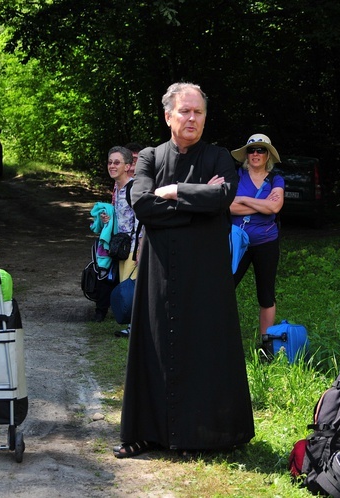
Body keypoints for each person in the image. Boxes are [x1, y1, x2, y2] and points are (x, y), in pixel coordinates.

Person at [113, 82, 254, 458]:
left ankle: (204, 435)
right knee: (154, 346)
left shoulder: (219, 155)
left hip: (206, 273)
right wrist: (197, 199)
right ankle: (147, 433)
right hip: (159, 272)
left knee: (203, 347)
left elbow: (223, 197)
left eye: (199, 112)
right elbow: (142, 203)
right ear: (168, 116)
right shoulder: (149, 158)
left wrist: (173, 191)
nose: (192, 118)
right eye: (185, 111)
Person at [229, 133, 285, 355]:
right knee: (224, 287)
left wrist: (242, 199)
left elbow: (275, 207)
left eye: (260, 150)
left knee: (266, 294)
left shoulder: (276, 178)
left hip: (266, 243)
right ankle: (218, 336)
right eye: (251, 150)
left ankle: (267, 345)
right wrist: (262, 204)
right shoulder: (236, 176)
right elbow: (228, 207)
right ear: (246, 154)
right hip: (237, 243)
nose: (255, 154)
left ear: (268, 154)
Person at [93, 146, 139, 329]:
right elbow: (123, 218)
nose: (112, 166)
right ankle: (133, 327)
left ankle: (135, 328)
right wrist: (108, 219)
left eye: (117, 162)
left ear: (128, 166)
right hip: (121, 248)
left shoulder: (134, 189)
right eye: (110, 162)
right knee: (124, 287)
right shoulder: (118, 188)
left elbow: (142, 219)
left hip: (133, 248)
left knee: (130, 288)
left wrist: (140, 248)